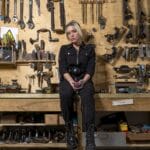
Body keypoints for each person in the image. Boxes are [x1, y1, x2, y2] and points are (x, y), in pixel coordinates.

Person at [58, 20, 96, 150]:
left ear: (79, 32)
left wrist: (82, 81)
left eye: (74, 31)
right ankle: (69, 132)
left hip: (84, 79)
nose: (71, 35)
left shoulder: (90, 49)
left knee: (88, 96)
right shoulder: (64, 49)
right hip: (68, 79)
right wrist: (71, 82)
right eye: (68, 33)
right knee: (65, 94)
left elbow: (91, 69)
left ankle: (90, 136)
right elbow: (63, 69)